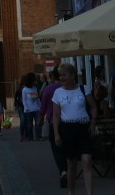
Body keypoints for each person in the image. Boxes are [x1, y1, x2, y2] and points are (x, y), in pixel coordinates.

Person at [52, 62, 97, 195]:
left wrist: (93, 123)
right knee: (71, 165)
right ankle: (71, 192)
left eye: (64, 75)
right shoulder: (58, 92)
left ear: (72, 75)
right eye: (60, 75)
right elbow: (56, 115)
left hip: (84, 128)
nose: (62, 78)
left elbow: (93, 106)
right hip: (67, 129)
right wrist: (56, 134)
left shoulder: (83, 89)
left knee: (86, 161)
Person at [40, 68, 68, 188]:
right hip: (68, 122)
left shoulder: (49, 89)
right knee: (67, 148)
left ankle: (63, 171)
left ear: (52, 77)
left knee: (57, 149)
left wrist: (40, 119)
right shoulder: (66, 87)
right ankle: (67, 169)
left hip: (53, 122)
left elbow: (43, 107)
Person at [22, 72, 41, 142]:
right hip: (28, 110)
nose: (35, 82)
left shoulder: (34, 88)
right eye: (34, 80)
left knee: (38, 123)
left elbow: (36, 98)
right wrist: (26, 107)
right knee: (29, 125)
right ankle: (30, 137)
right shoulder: (25, 90)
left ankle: (38, 136)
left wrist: (40, 106)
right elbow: (24, 100)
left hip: (36, 109)